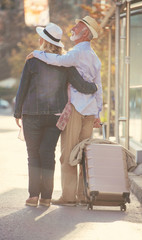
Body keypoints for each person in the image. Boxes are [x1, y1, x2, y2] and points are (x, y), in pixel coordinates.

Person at [14, 22, 98, 207]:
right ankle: (46, 197)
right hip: (55, 116)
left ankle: (33, 196)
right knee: (47, 154)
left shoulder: (33, 60)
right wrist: (95, 86)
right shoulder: (65, 63)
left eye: (40, 37)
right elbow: (82, 86)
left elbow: (23, 88)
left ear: (43, 40)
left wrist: (17, 113)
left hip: (32, 114)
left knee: (33, 155)